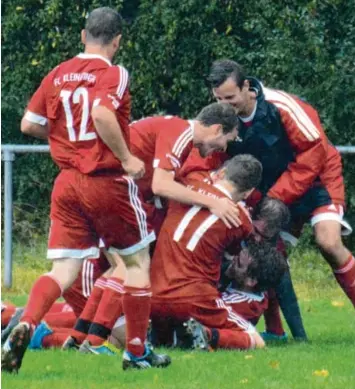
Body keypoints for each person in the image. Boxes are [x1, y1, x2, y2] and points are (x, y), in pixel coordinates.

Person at [2, 7, 170, 372]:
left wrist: (65, 138)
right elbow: (102, 115)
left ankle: (26, 324)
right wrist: (127, 158)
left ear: (83, 35)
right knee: (137, 262)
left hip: (66, 183)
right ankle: (138, 354)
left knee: (63, 270)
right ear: (117, 41)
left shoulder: (58, 73)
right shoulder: (114, 73)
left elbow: (29, 123)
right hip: (105, 181)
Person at [62, 103, 242, 353]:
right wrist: (213, 202)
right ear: (216, 129)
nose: (223, 148)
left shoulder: (175, 131)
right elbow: (161, 185)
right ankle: (91, 343)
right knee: (132, 266)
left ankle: (78, 338)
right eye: (226, 140)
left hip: (96, 187)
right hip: (110, 189)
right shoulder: (181, 132)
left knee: (119, 266)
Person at [206, 59, 355, 311]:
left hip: (318, 179)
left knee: (328, 243)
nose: (225, 105)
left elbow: (314, 153)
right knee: (267, 256)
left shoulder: (281, 105)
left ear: (245, 87)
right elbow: (216, 160)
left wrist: (274, 197)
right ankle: (278, 331)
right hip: (277, 190)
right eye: (219, 99)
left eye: (230, 98)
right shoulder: (221, 118)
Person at [150, 154, 269, 350]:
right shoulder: (242, 221)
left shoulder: (184, 186)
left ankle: (163, 335)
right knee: (256, 341)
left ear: (221, 172)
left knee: (167, 338)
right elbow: (232, 253)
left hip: (154, 294)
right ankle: (208, 335)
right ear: (248, 193)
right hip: (194, 297)